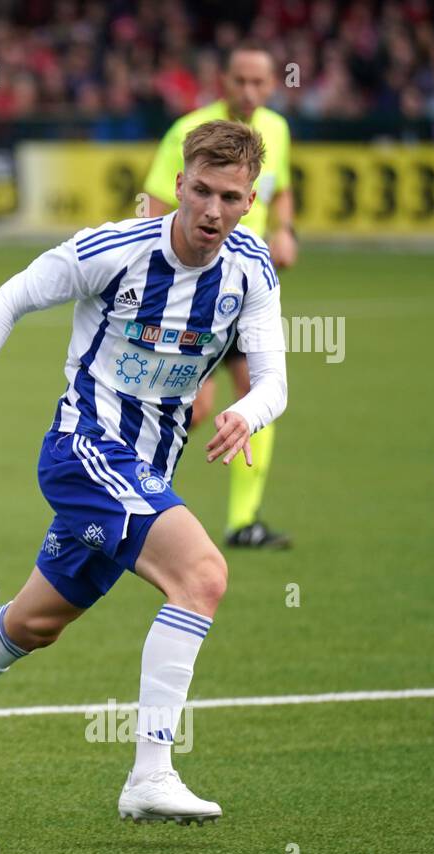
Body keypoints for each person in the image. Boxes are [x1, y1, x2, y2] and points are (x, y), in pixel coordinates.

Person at [0, 121, 288, 824]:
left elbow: (274, 380)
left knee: (36, 622)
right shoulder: (116, 249)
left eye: (229, 196)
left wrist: (247, 413)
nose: (212, 211)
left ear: (251, 199)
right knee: (203, 576)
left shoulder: (251, 268)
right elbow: (8, 298)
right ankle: (151, 772)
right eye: (199, 191)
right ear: (179, 186)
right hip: (86, 449)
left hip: (148, 469)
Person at [143, 45, 296, 548]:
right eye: (240, 81)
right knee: (193, 402)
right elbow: (154, 205)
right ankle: (131, 486)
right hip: (195, 291)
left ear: (272, 86)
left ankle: (243, 520)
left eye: (259, 82)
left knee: (257, 390)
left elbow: (281, 186)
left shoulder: (276, 130)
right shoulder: (190, 132)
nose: (249, 91)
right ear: (222, 80)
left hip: (247, 289)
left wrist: (285, 229)